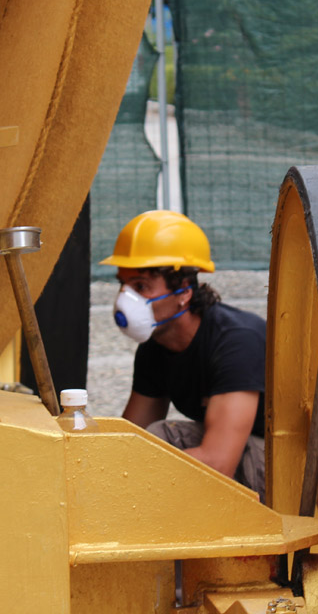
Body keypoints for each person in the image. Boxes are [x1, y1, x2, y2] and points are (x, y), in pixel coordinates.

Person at [101, 210, 266, 497]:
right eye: (123, 284)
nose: (125, 300)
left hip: (294, 467)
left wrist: (131, 478)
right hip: (240, 453)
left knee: (160, 442)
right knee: (145, 443)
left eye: (141, 287)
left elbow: (218, 463)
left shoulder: (236, 342)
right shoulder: (155, 346)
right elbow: (129, 438)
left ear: (184, 292)